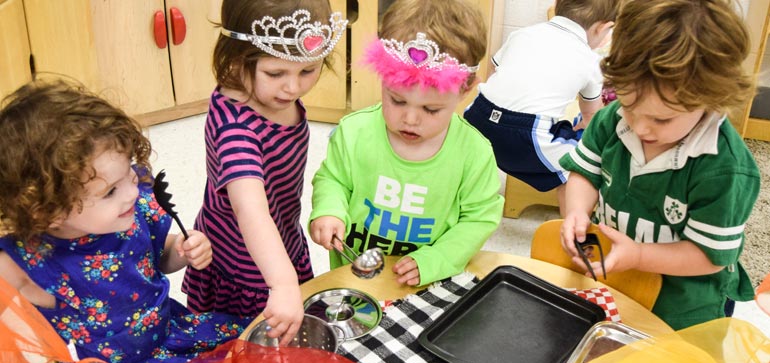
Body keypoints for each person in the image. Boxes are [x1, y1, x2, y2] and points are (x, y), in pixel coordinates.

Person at [0, 79, 251, 363]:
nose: (131, 193)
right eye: (109, 192)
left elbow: (162, 258)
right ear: (45, 209)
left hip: (171, 337)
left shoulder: (133, 209)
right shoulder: (28, 262)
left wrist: (185, 250)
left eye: (129, 175)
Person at [558, 0, 761, 330]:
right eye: (627, 105)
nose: (639, 128)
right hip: (616, 283)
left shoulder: (725, 169)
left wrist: (638, 255)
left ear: (712, 99)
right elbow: (584, 173)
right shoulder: (611, 120)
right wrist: (577, 211)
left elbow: (708, 257)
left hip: (682, 311)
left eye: (661, 119)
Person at [182, 0, 348, 339]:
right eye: (276, 74)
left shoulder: (274, 95)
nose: (293, 88)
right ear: (237, 58)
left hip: (282, 237)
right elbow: (251, 209)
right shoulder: (236, 130)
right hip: (244, 261)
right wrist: (283, 282)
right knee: (243, 350)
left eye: (308, 70)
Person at [309, 0, 504, 287]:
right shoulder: (354, 132)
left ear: (465, 88)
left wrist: (436, 259)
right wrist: (328, 209)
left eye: (431, 109)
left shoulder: (474, 153)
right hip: (354, 277)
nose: (410, 119)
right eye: (397, 100)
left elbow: (478, 219)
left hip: (428, 281)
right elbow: (333, 179)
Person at [464, 0, 619, 213]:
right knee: (579, 166)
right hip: (525, 134)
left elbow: (494, 72)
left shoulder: (522, 34)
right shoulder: (590, 60)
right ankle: (573, 231)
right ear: (602, 28)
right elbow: (593, 117)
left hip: (476, 117)